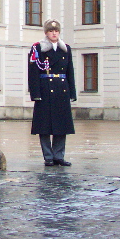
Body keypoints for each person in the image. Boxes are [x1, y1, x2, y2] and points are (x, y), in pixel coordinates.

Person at [28, 18, 76, 167]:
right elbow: (33, 72)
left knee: (62, 126)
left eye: (56, 31)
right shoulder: (38, 48)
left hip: (61, 91)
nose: (54, 33)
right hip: (45, 90)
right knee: (44, 126)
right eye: (51, 31)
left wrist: (72, 92)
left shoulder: (65, 48)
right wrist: (35, 93)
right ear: (46, 33)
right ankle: (48, 156)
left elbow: (70, 72)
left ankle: (59, 156)